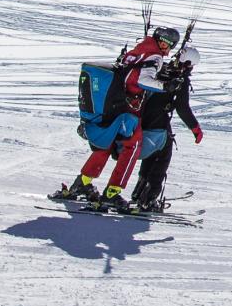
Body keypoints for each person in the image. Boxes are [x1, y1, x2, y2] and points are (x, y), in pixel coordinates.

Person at [53, 25, 181, 209]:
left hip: (113, 105)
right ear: (163, 43)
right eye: (169, 46)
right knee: (132, 146)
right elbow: (142, 80)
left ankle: (82, 182)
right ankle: (112, 192)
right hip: (128, 109)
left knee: (107, 143)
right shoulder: (154, 56)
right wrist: (165, 86)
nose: (168, 52)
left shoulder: (139, 49)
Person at [128, 50, 202, 213]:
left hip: (142, 120)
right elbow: (182, 107)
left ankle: (139, 193)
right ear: (189, 64)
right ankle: (148, 199)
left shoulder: (161, 68)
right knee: (162, 158)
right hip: (158, 123)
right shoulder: (179, 79)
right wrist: (195, 128)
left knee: (152, 155)